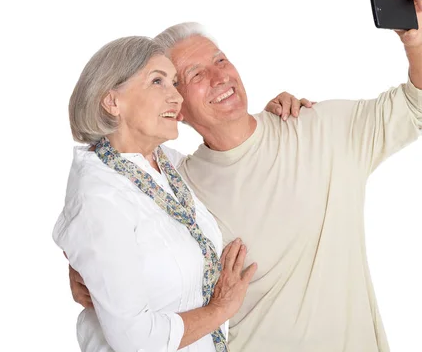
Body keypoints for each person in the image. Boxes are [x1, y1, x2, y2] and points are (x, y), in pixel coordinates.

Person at [70, 0, 422, 351]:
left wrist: (416, 40)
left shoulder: (320, 127)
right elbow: (113, 224)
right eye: (195, 75)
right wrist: (80, 272)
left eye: (220, 60)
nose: (220, 77)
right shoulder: (178, 187)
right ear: (176, 103)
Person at [53, 36, 312, 352]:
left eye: (174, 83)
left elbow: (227, 164)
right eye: (157, 81)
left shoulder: (166, 165)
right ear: (112, 102)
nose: (176, 97)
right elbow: (137, 341)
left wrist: (269, 123)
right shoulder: (99, 197)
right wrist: (221, 309)